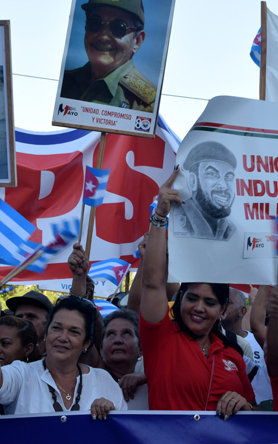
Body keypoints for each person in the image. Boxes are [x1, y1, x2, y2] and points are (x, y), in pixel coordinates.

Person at [137, 169, 255, 418]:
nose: (199, 307)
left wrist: (244, 405)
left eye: (210, 302)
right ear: (180, 299)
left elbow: (253, 411)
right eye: (192, 298)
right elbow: (153, 284)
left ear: (223, 310)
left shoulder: (234, 354)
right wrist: (160, 216)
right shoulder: (160, 337)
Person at [0, 289, 126, 417]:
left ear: (86, 343)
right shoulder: (23, 374)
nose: (62, 337)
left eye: (74, 332)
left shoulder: (103, 381)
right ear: (46, 334)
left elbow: (122, 432)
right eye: (56, 328)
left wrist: (111, 416)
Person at [60, 0, 156, 111]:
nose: (103, 36)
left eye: (118, 27)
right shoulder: (64, 82)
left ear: (137, 41)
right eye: (95, 23)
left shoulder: (146, 106)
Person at [170, 142, 237, 241]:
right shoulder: (172, 219)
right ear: (193, 181)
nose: (224, 186)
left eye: (228, 177)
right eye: (212, 174)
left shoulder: (231, 230)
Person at [100, 309, 148, 408]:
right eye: (111, 334)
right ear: (101, 349)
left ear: (141, 349)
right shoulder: (87, 382)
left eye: (126, 333)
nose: (118, 340)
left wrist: (148, 377)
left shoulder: (151, 383)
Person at [6, 290, 53, 355]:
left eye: (31, 316)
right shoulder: (2, 355)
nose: (23, 321)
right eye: (19, 317)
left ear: (48, 323)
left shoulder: (57, 357)